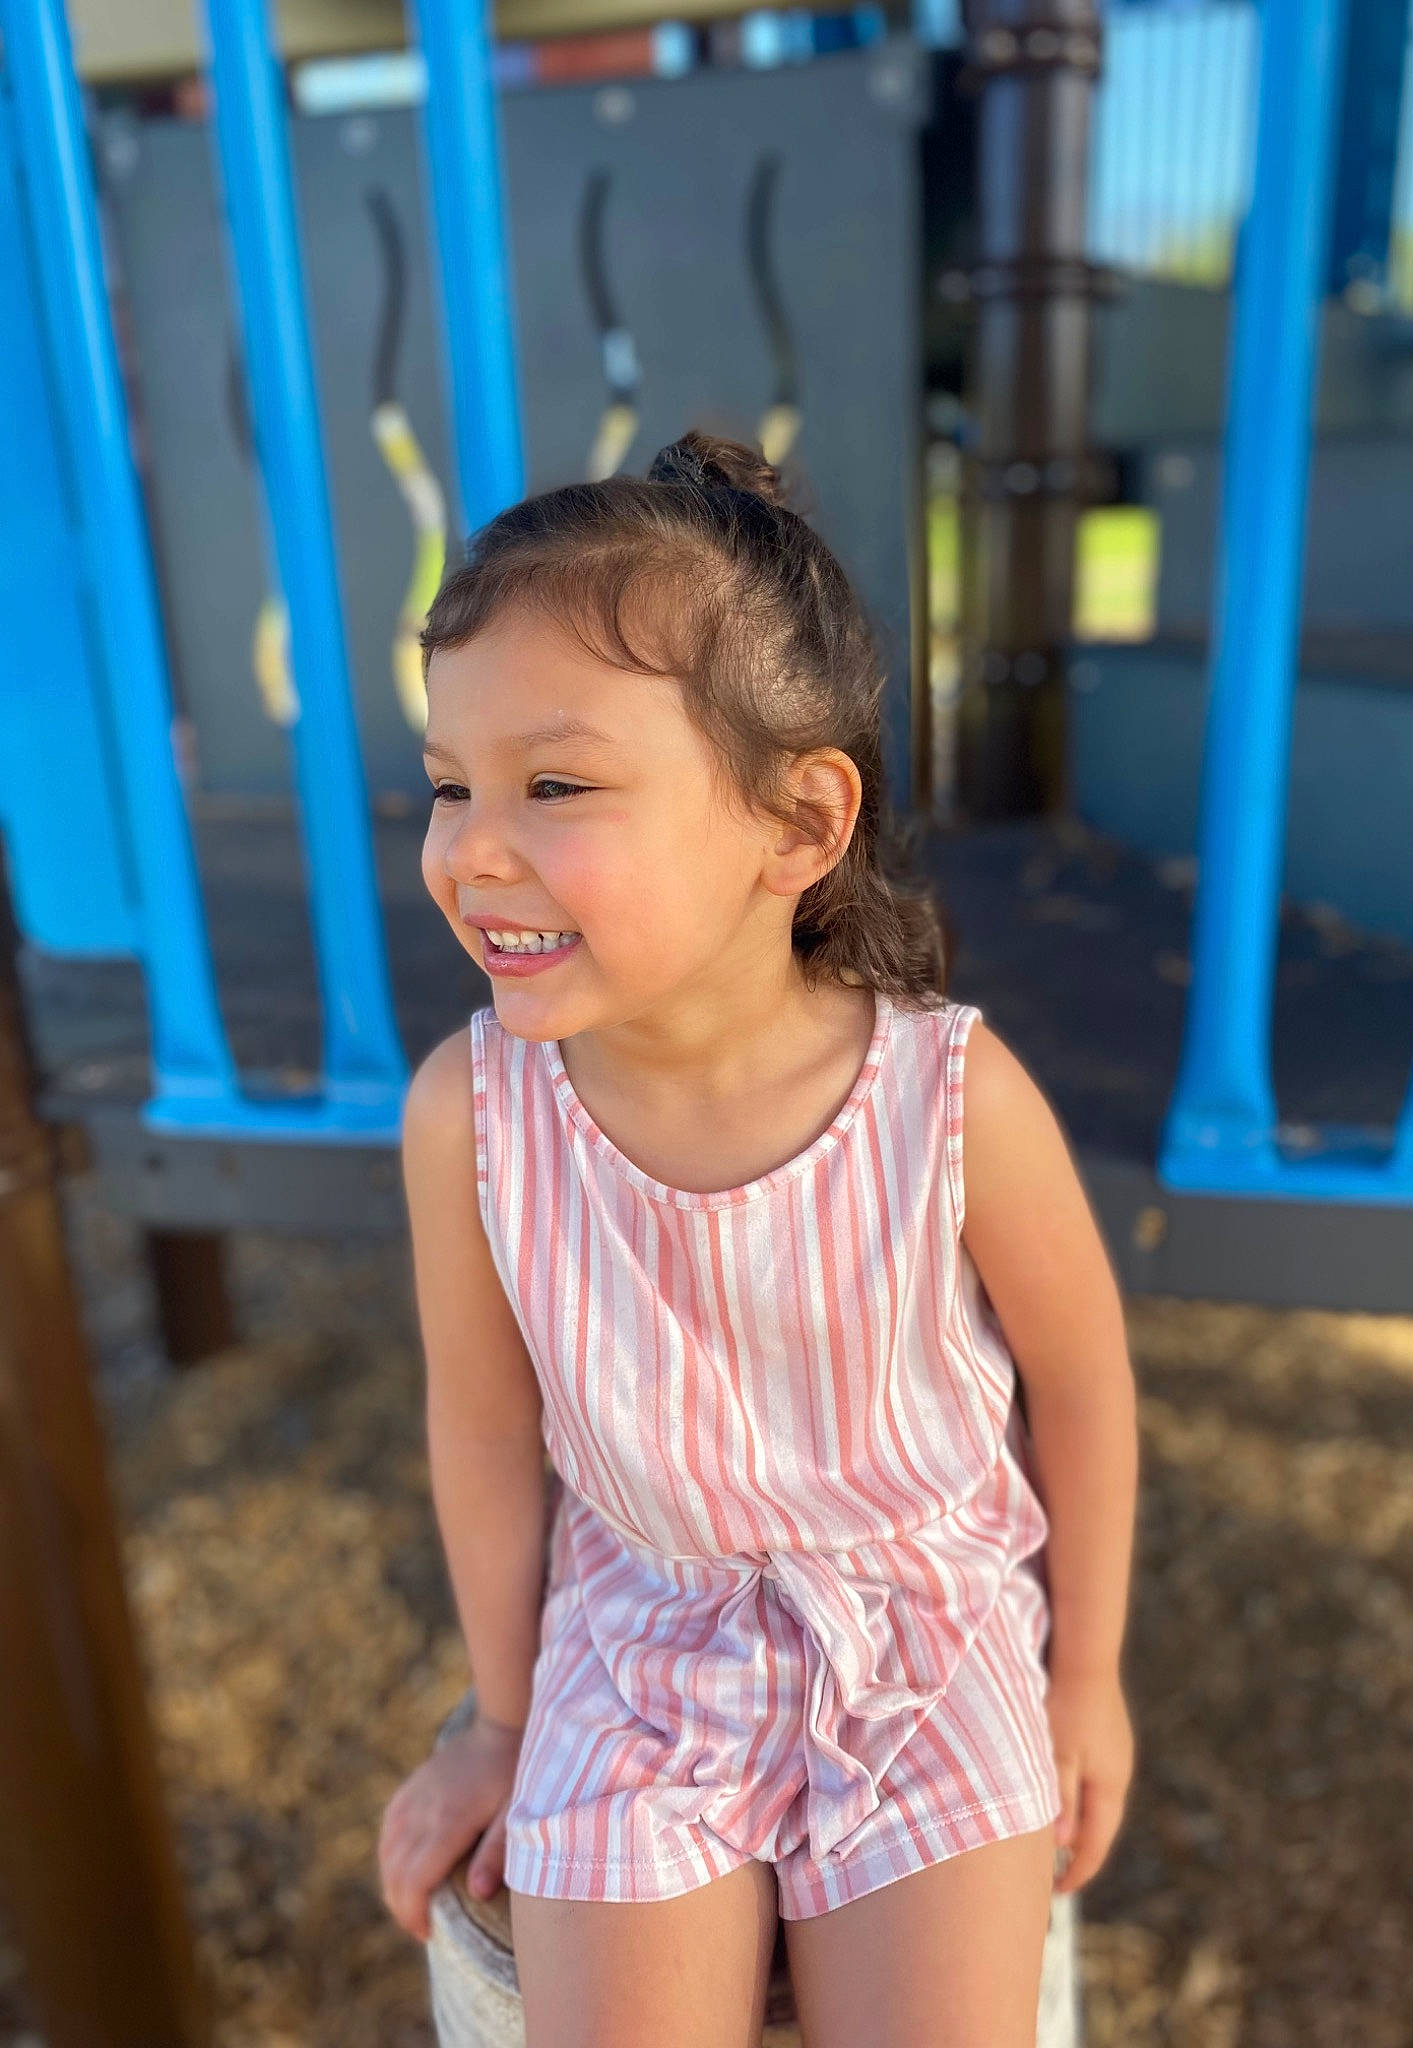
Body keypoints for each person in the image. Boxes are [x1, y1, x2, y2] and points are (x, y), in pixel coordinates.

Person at [377, 430, 1138, 2047]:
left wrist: (1087, 1681)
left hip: (925, 1639)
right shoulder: (474, 1114)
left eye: (555, 784)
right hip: (641, 1645)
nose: (472, 847)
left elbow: (1080, 1381)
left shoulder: (947, 1095)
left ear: (797, 825)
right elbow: (487, 1423)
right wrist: (501, 1720)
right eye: (451, 785)